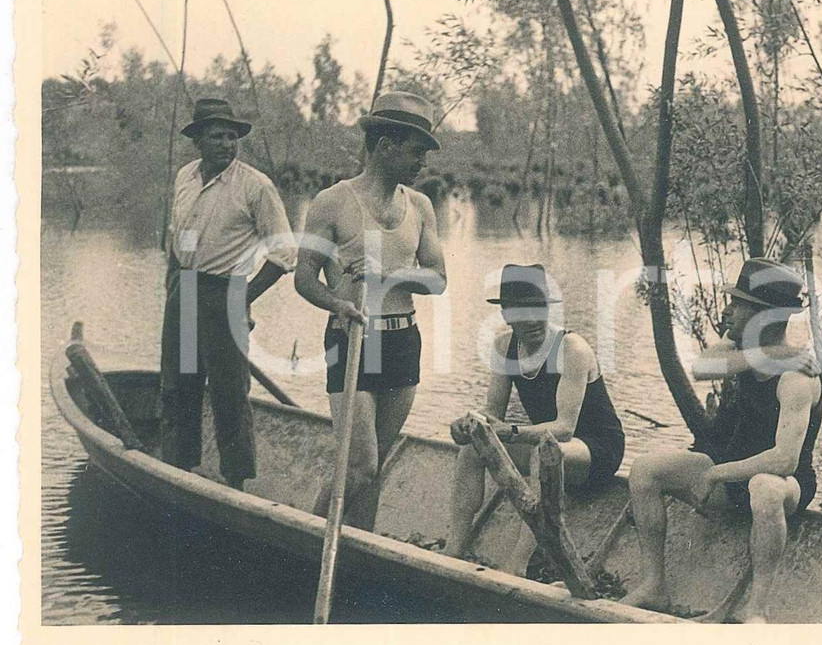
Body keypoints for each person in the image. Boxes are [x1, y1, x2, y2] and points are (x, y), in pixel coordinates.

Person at [623, 258, 822, 621]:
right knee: (645, 470)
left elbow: (785, 460)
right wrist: (770, 353)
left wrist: (716, 473)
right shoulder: (746, 346)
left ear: (763, 317)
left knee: (764, 486)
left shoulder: (796, 378)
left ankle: (757, 610)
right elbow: (702, 368)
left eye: (738, 305)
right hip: (735, 475)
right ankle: (654, 585)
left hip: (786, 485)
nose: (728, 312)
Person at [295, 91, 447, 531]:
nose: (423, 163)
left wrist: (388, 275)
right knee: (358, 466)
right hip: (352, 337)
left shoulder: (420, 206)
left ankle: (358, 553)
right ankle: (306, 542)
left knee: (374, 467)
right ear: (385, 146)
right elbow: (304, 278)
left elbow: (438, 280)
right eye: (416, 152)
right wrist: (337, 303)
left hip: (402, 339)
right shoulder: (332, 202)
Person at [443, 263, 626, 575]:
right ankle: (454, 548)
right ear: (506, 315)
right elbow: (493, 412)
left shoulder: (572, 348)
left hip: (596, 449)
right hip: (549, 444)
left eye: (538, 308)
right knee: (473, 447)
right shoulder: (504, 346)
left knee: (544, 454)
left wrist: (509, 431)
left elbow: (564, 429)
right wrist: (469, 423)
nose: (531, 320)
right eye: (520, 311)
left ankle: (517, 563)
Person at [160, 98, 297, 491]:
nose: (226, 144)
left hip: (226, 291)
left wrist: (243, 298)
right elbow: (182, 234)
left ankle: (235, 481)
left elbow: (284, 253)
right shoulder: (186, 176)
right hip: (184, 290)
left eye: (232, 137)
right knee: (179, 384)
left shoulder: (256, 186)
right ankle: (180, 468)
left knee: (229, 393)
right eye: (217, 136)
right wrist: (175, 281)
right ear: (198, 142)